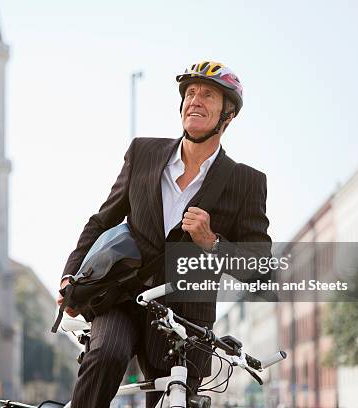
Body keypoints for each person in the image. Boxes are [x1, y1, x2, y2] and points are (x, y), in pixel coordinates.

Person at [57, 60, 272, 408]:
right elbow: (101, 221)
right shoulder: (143, 153)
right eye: (190, 93)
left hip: (186, 321)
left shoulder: (246, 182)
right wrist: (71, 276)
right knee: (106, 357)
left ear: (228, 115)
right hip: (124, 298)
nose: (195, 100)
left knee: (176, 398)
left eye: (207, 95)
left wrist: (212, 243)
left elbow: (259, 269)